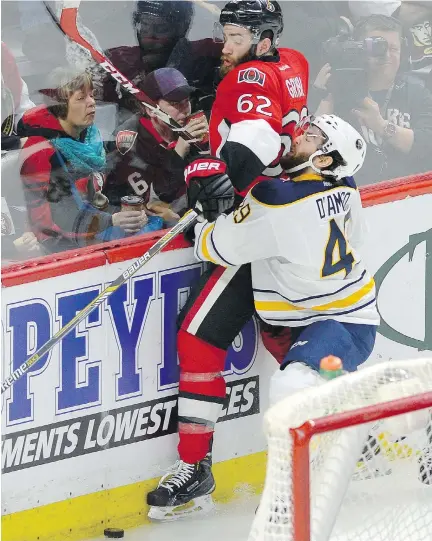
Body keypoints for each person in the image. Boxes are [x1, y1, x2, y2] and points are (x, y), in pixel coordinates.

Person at [147, 114, 378, 519]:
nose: (300, 133)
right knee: (201, 338)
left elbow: (214, 245)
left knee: (293, 386)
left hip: (335, 319)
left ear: (323, 160)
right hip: (311, 304)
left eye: (311, 136)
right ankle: (197, 467)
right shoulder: (345, 184)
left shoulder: (279, 199)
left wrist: (197, 216)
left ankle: (295, 490)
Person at [146, 0, 309, 520]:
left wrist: (215, 170)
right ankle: (352, 431)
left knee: (198, 334)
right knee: (285, 334)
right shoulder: (295, 62)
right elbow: (281, 132)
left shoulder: (250, 77)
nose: (226, 45)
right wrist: (213, 142)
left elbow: (253, 141)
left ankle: (196, 466)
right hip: (294, 219)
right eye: (226, 33)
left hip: (251, 223)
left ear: (263, 40)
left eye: (236, 36)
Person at [19, 68, 150, 254]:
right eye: (81, 98)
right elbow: (64, 216)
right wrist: (113, 220)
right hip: (58, 243)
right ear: (60, 105)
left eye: (92, 95)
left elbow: (104, 187)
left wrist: (130, 214)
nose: (92, 103)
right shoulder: (42, 151)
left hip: (88, 226)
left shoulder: (90, 137)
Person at [313, 14, 432, 184]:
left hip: (409, 196)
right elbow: (306, 155)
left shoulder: (417, 92)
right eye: (377, 47)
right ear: (357, 48)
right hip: (354, 195)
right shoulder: (334, 91)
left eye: (394, 48)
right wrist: (323, 100)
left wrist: (382, 126)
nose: (387, 55)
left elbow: (428, 145)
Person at [104, 67, 208, 227]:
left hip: (198, 219)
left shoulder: (190, 126)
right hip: (154, 230)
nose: (185, 110)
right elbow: (155, 202)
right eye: (175, 104)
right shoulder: (129, 142)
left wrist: (208, 145)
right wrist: (179, 153)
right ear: (150, 110)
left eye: (186, 101)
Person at [103, 1, 194, 118]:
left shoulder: (200, 62)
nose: (149, 37)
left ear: (180, 29)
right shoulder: (114, 63)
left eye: (161, 29)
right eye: (144, 26)